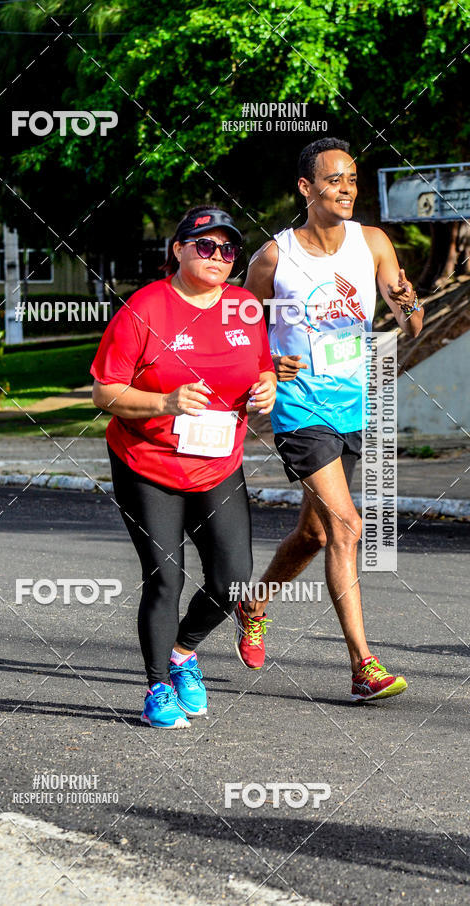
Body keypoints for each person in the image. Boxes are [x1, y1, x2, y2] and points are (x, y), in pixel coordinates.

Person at [232, 138, 424, 701]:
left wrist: (410, 303)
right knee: (348, 526)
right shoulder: (275, 256)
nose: (346, 188)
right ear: (306, 188)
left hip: (351, 404)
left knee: (314, 533)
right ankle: (364, 667)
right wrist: (267, 362)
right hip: (298, 408)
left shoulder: (372, 243)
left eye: (353, 179)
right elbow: (237, 329)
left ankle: (254, 601)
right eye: (335, 179)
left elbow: (410, 324)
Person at [91, 206, 277, 727]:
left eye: (229, 249)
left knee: (232, 580)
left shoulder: (244, 308)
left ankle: (182, 654)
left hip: (217, 464)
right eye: (206, 246)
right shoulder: (144, 308)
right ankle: (155, 688)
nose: (219, 257)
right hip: (147, 463)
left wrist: (268, 386)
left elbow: (261, 368)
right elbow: (104, 392)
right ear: (179, 250)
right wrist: (165, 403)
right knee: (165, 579)